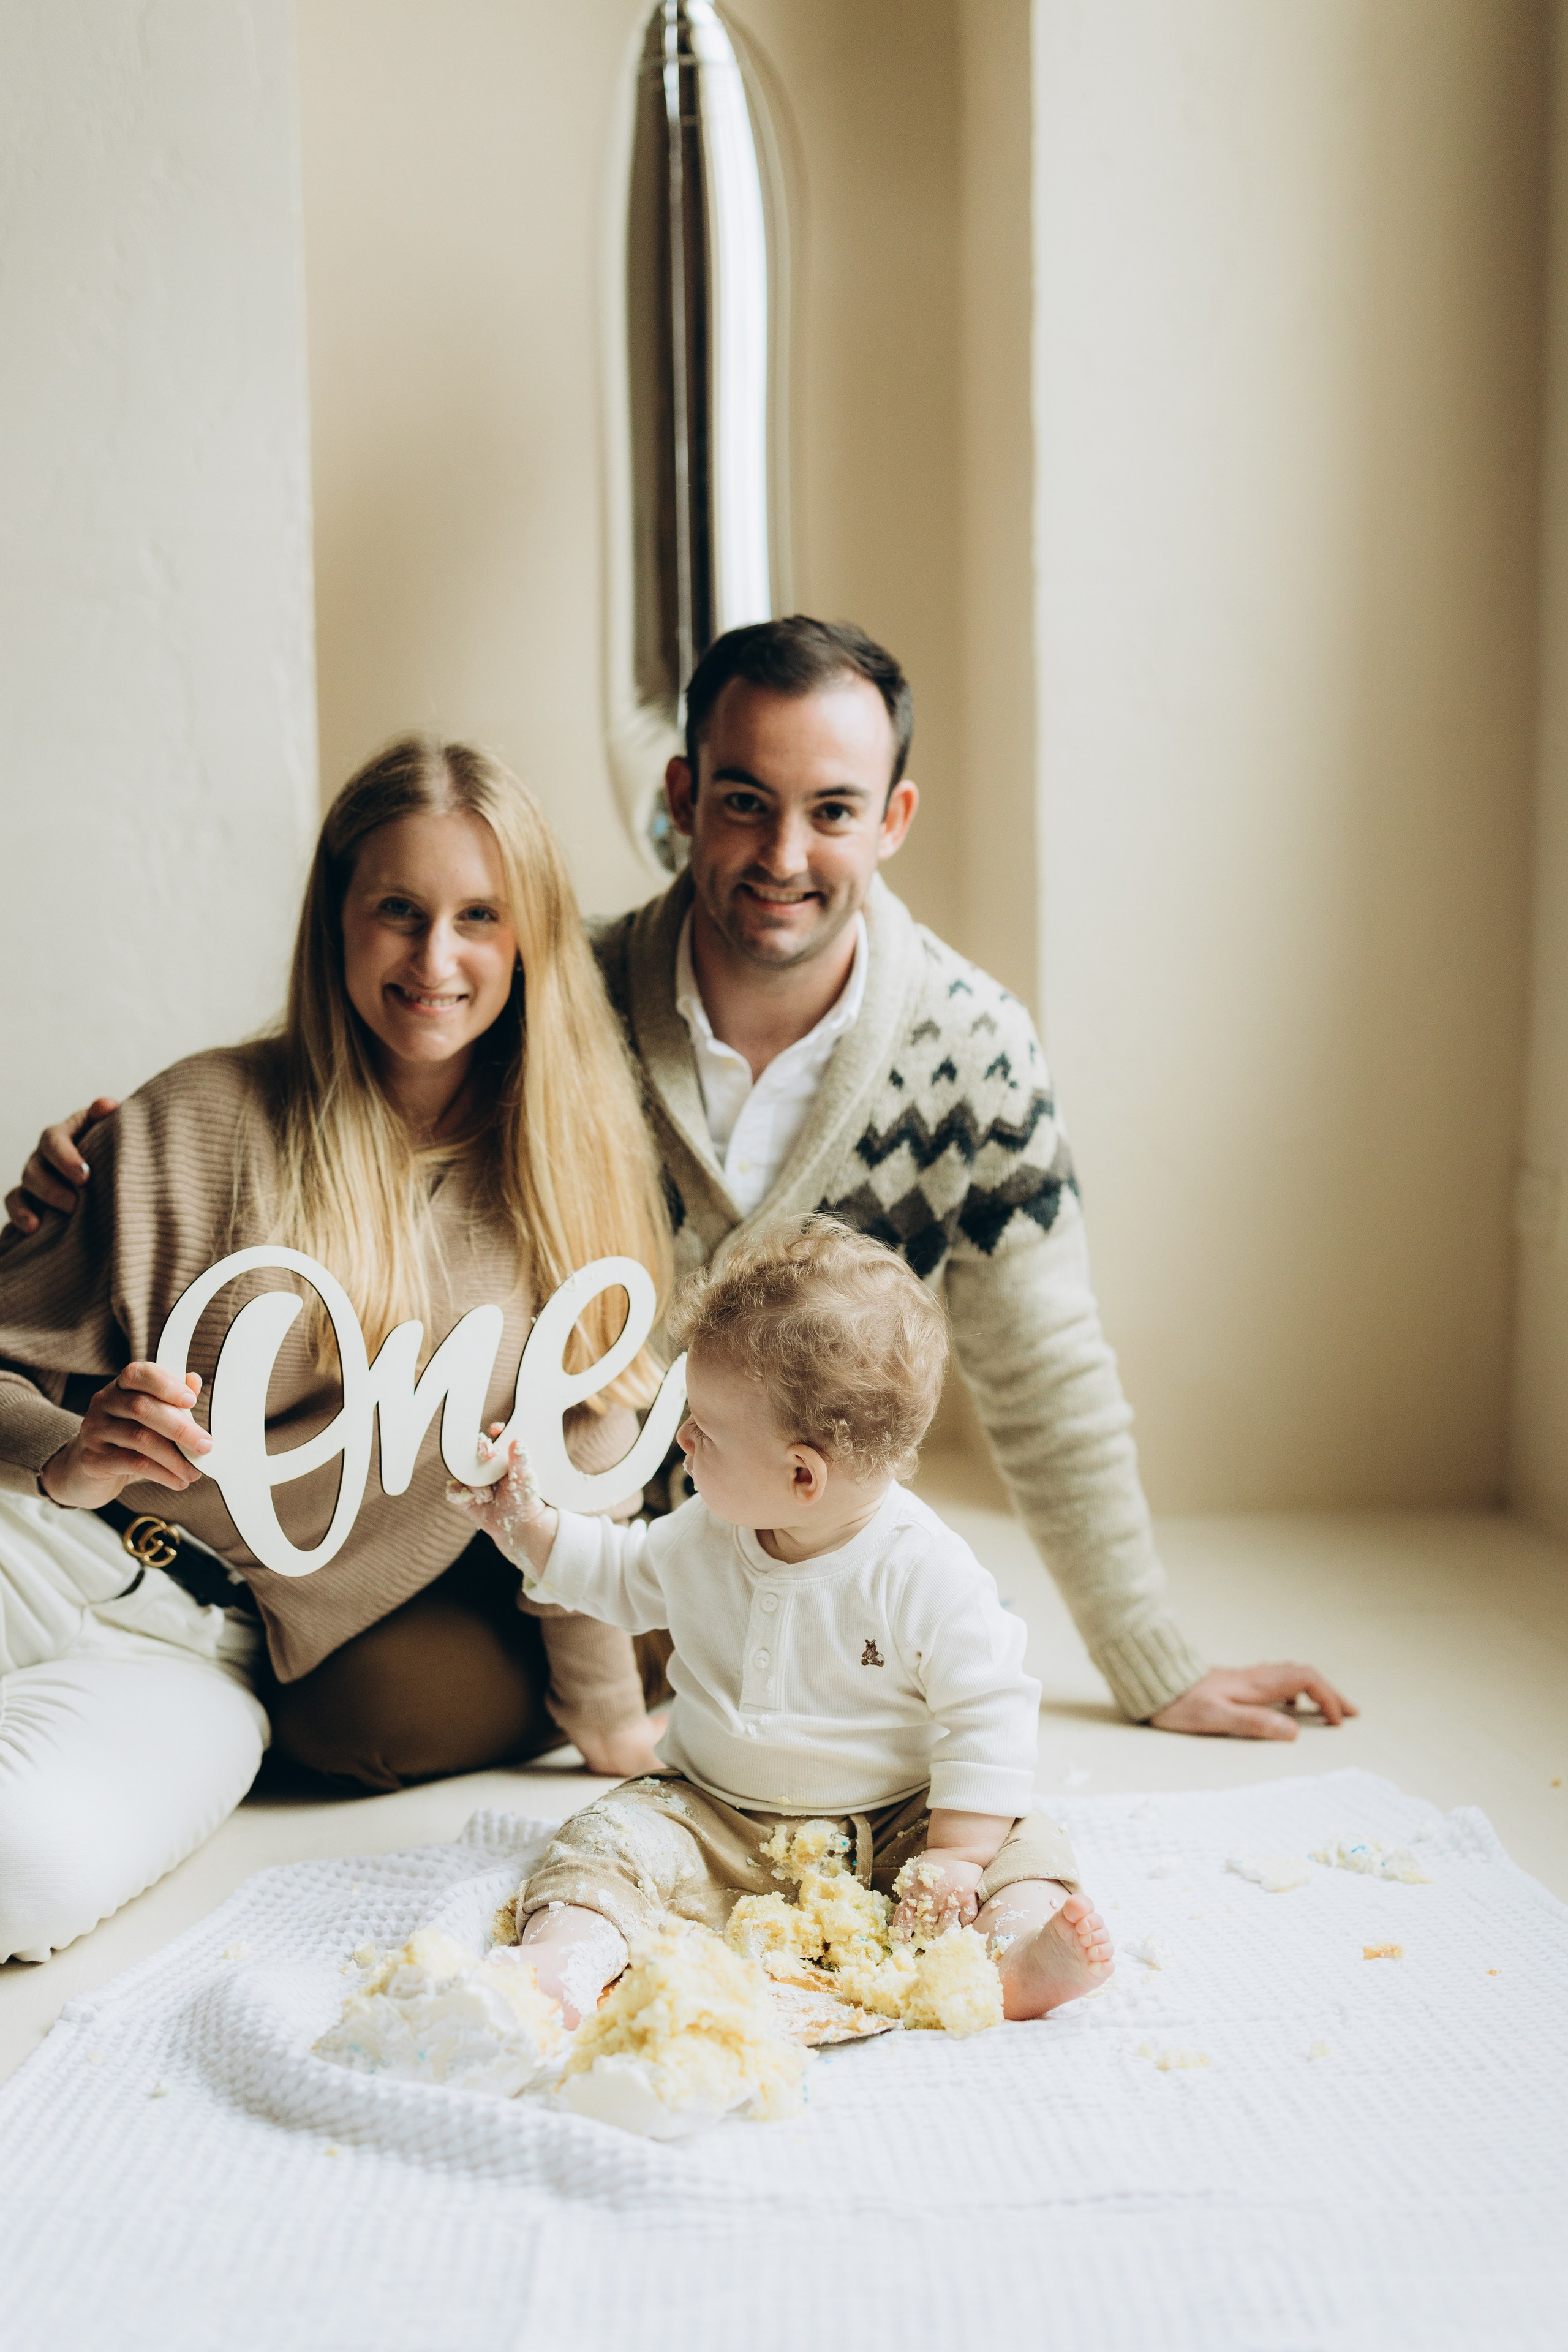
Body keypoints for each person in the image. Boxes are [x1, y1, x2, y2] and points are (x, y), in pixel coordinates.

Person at [9, 617, 1352, 1741]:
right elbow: (350, 1120)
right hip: (523, 1548)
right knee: (358, 1716)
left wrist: (1149, 1660)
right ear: (677, 803)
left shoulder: (971, 1053)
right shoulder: (547, 1001)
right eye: (742, 803)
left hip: (778, 1551)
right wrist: (109, 1167)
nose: (781, 856)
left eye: (830, 812)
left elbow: (1046, 1374)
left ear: (890, 820)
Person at [0, 736, 669, 1966]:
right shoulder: (200, 1117)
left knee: (26, 1876)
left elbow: (579, 1474)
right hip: (38, 1550)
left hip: (211, 1656)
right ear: (337, 923)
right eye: (397, 913)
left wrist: (618, 1736)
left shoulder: (568, 1190)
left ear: (528, 942)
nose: (434, 959)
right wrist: (64, 1454)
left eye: (479, 917)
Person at [451, 1218, 1114, 2025]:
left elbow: (989, 1712)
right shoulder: (705, 1531)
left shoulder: (924, 1571)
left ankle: (1014, 1953)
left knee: (1026, 1843)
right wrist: (531, 1531)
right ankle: (568, 1958)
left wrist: (956, 1853)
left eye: (707, 1431)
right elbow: (622, 1575)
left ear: (803, 1474)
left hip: (897, 1825)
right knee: (605, 1840)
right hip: (718, 1816)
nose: (684, 1439)